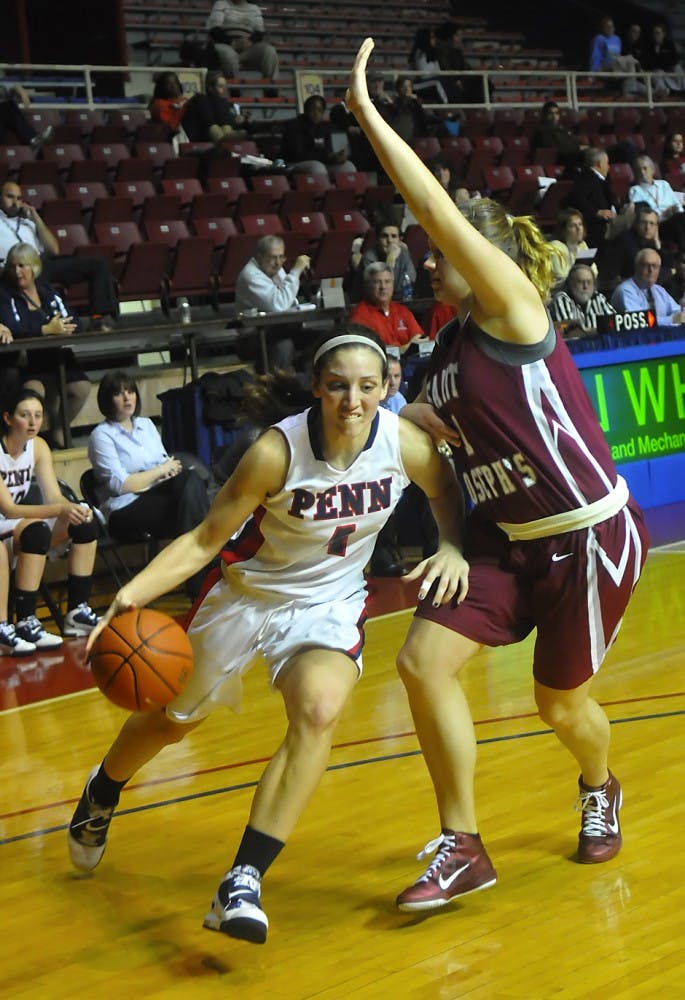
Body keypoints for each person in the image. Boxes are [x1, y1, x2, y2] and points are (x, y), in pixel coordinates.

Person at [346, 38, 649, 913]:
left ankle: (598, 784)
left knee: (560, 708)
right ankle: (462, 844)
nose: (426, 263)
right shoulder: (439, 355)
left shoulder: (513, 312)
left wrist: (369, 116)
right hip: (499, 544)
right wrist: (441, 521)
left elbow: (434, 214)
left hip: (585, 536)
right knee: (419, 664)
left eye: (438, 253)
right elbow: (436, 452)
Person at [67, 325, 468, 944]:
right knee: (173, 723)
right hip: (246, 597)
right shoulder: (276, 453)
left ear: (387, 386)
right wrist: (129, 594)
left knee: (318, 709)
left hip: (328, 604)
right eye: (338, 387)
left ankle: (244, 878)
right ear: (316, 390)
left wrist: (452, 546)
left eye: (368, 386)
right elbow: (205, 539)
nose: (353, 402)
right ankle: (103, 789)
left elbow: (445, 491)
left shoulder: (404, 443)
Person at [88, 370, 211, 595]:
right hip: (124, 508)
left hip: (161, 495)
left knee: (189, 484)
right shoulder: (102, 435)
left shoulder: (146, 425)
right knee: (194, 502)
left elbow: (165, 463)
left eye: (131, 391)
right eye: (119, 394)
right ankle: (205, 581)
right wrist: (161, 471)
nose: (127, 398)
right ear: (107, 400)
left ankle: (199, 583)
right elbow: (120, 484)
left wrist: (165, 470)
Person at [0, 388, 100, 651]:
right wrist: (59, 510)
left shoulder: (39, 446)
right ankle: (23, 620)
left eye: (38, 415)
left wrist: (74, 507)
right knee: (36, 532)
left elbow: (54, 495)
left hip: (12, 524)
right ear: (8, 418)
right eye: (25, 415)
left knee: (85, 522)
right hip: (6, 519)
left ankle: (77, 612)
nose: (33, 422)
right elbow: (9, 509)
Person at [0, 242, 91, 448]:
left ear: (35, 267)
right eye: (13, 266)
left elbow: (74, 320)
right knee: (33, 393)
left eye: (23, 266)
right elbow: (15, 327)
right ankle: (29, 444)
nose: (17, 272)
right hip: (29, 362)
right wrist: (45, 330)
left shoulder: (48, 292)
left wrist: (66, 327)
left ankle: (59, 430)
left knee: (82, 388)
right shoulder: (6, 296)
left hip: (56, 357)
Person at [0, 181, 119, 331]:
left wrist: (36, 218)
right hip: (15, 268)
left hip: (41, 262)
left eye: (19, 198)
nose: (15, 202)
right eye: (10, 197)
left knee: (98, 265)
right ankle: (52, 325)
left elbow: (54, 250)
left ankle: (100, 318)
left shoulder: (27, 222)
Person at [234, 235, 312, 369]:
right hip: (252, 337)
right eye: (273, 257)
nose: (278, 263)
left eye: (281, 257)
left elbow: (289, 302)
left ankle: (305, 383)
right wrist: (295, 271)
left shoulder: (275, 268)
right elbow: (279, 304)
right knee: (284, 346)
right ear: (259, 256)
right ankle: (275, 386)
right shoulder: (250, 276)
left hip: (275, 329)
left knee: (318, 338)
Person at [349, 262, 428, 353]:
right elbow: (368, 353)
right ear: (367, 286)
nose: (383, 287)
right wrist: (405, 349)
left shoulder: (402, 311)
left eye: (387, 281)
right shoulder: (359, 316)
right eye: (377, 282)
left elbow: (421, 339)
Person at [597, 203, 674, 288]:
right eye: (644, 222)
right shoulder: (625, 240)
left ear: (656, 228)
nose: (647, 227)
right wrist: (669, 272)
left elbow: (670, 265)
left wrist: (658, 245)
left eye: (651, 223)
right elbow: (644, 272)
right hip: (619, 287)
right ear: (636, 224)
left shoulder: (651, 242)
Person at [570, 148, 633, 248]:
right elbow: (577, 199)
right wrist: (597, 212)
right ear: (599, 164)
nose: (608, 167)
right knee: (634, 213)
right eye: (607, 163)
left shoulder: (598, 179)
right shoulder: (586, 178)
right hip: (599, 226)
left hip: (607, 221)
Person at [280, 94, 356, 176]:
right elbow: (297, 155)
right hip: (296, 163)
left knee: (348, 167)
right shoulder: (294, 126)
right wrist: (328, 156)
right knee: (317, 168)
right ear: (305, 110)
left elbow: (333, 151)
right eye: (312, 109)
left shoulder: (326, 127)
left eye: (319, 110)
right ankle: (324, 188)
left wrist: (339, 156)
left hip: (324, 162)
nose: (316, 113)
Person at [206, 0, 279, 81]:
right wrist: (232, 43)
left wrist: (250, 41)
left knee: (269, 51)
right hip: (225, 44)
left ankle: (271, 87)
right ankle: (233, 86)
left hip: (248, 46)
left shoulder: (254, 8)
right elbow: (214, 29)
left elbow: (259, 32)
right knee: (228, 55)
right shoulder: (221, 4)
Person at [611, 248, 685, 326]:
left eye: (655, 266)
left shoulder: (659, 290)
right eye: (646, 265)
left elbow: (677, 311)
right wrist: (672, 319)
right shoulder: (625, 291)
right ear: (637, 267)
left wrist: (681, 316)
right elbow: (642, 321)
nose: (651, 270)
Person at [627, 155, 685, 251]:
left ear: (652, 170)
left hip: (676, 219)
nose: (642, 172)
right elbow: (642, 215)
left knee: (680, 218)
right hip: (656, 225)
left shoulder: (664, 184)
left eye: (645, 168)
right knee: (679, 220)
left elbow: (677, 205)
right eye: (638, 169)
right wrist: (663, 214)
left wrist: (677, 211)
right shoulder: (635, 190)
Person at [352, 220, 416, 302]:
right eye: (384, 236)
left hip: (399, 301)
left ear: (400, 240)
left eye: (394, 236)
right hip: (370, 304)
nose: (389, 241)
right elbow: (383, 289)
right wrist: (390, 259)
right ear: (377, 239)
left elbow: (411, 280)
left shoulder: (404, 253)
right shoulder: (369, 258)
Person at [181, 71, 250, 145]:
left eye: (225, 86)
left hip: (222, 137)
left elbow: (227, 120)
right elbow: (207, 120)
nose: (225, 90)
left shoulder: (227, 104)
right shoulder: (200, 100)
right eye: (220, 86)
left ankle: (225, 138)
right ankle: (223, 139)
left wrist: (238, 119)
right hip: (203, 139)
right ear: (210, 88)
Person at [549, 263, 616, 337]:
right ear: (570, 284)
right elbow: (570, 332)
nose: (585, 286)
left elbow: (615, 322)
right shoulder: (561, 299)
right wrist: (598, 330)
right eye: (580, 282)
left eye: (589, 282)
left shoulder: (598, 298)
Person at [549, 207, 597, 285]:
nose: (578, 228)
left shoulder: (582, 245)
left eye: (580, 224)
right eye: (573, 226)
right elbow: (561, 276)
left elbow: (594, 272)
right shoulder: (555, 247)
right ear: (563, 230)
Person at [531, 101, 584, 169]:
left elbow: (572, 142)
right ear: (544, 115)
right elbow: (554, 148)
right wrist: (578, 148)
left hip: (568, 157)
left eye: (556, 113)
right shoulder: (541, 130)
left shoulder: (562, 129)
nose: (554, 116)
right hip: (556, 160)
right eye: (550, 113)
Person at [641, 23, 685, 97]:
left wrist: (665, 70)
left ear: (663, 34)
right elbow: (648, 63)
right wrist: (658, 69)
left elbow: (674, 60)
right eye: (654, 33)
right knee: (657, 73)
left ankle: (682, 90)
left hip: (668, 70)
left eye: (658, 33)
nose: (656, 35)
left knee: (678, 68)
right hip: (655, 71)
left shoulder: (669, 44)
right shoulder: (649, 46)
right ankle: (665, 93)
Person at [409, 27, 448, 104]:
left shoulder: (432, 54)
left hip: (430, 81)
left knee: (447, 81)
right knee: (438, 82)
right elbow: (423, 75)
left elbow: (438, 71)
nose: (434, 39)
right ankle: (446, 106)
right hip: (418, 84)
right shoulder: (419, 53)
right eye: (432, 37)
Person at [148, 72, 189, 138]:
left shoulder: (185, 100)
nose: (173, 86)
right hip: (173, 137)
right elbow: (171, 128)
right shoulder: (159, 104)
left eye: (175, 82)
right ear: (162, 87)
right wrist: (181, 109)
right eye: (169, 84)